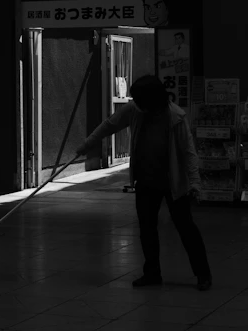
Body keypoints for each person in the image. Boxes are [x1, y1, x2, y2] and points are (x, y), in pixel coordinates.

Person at [76, 75, 212, 291]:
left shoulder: (176, 117)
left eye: (142, 102)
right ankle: (152, 273)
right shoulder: (135, 110)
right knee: (147, 229)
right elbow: (109, 125)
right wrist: (87, 145)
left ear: (154, 100)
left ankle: (203, 274)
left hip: (173, 182)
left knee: (186, 228)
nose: (139, 106)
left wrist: (195, 183)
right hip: (146, 180)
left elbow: (188, 152)